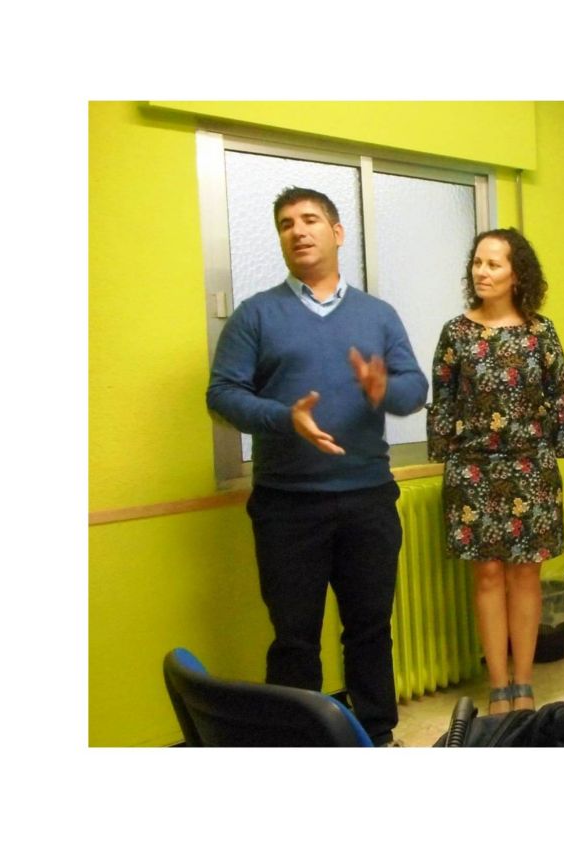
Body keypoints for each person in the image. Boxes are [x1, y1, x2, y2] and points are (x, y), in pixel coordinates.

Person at [206, 186, 428, 745]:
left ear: (337, 233)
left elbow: (415, 390)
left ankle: (377, 736)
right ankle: (297, 748)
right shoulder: (257, 315)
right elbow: (222, 395)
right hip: (286, 506)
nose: (298, 231)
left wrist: (383, 388)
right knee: (294, 639)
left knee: (370, 629)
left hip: (368, 498)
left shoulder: (377, 314)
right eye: (286, 224)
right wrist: (284, 418)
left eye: (309, 219)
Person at [427, 228, 564, 714]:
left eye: (493, 263)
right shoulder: (456, 333)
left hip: (531, 465)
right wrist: (445, 455)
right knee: (488, 575)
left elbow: (558, 396)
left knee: (526, 574)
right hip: (472, 470)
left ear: (517, 274)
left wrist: (560, 449)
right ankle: (498, 686)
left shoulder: (541, 332)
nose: (482, 271)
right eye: (477, 262)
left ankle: (524, 683)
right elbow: (444, 399)